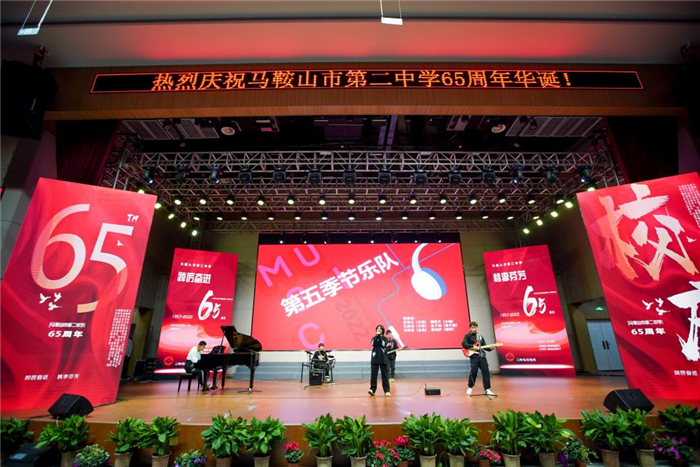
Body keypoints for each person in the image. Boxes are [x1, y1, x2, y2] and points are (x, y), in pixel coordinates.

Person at [461, 321, 494, 396]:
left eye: (475, 327)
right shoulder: (467, 336)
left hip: (482, 356)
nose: (474, 329)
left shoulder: (480, 336)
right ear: (470, 328)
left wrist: (490, 348)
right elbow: (463, 343)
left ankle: (487, 389)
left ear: (477, 327)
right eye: (472, 327)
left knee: (486, 372)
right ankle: (470, 387)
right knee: (474, 371)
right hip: (474, 357)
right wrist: (472, 346)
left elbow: (484, 346)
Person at [369, 324, 391, 397]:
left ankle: (387, 390)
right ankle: (372, 389)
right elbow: (373, 344)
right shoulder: (374, 338)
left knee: (385, 375)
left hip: (383, 358)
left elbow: (383, 344)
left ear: (382, 331)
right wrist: (377, 337)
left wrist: (380, 337)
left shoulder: (385, 338)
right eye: (378, 328)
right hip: (375, 357)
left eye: (380, 329)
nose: (379, 330)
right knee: (373, 374)